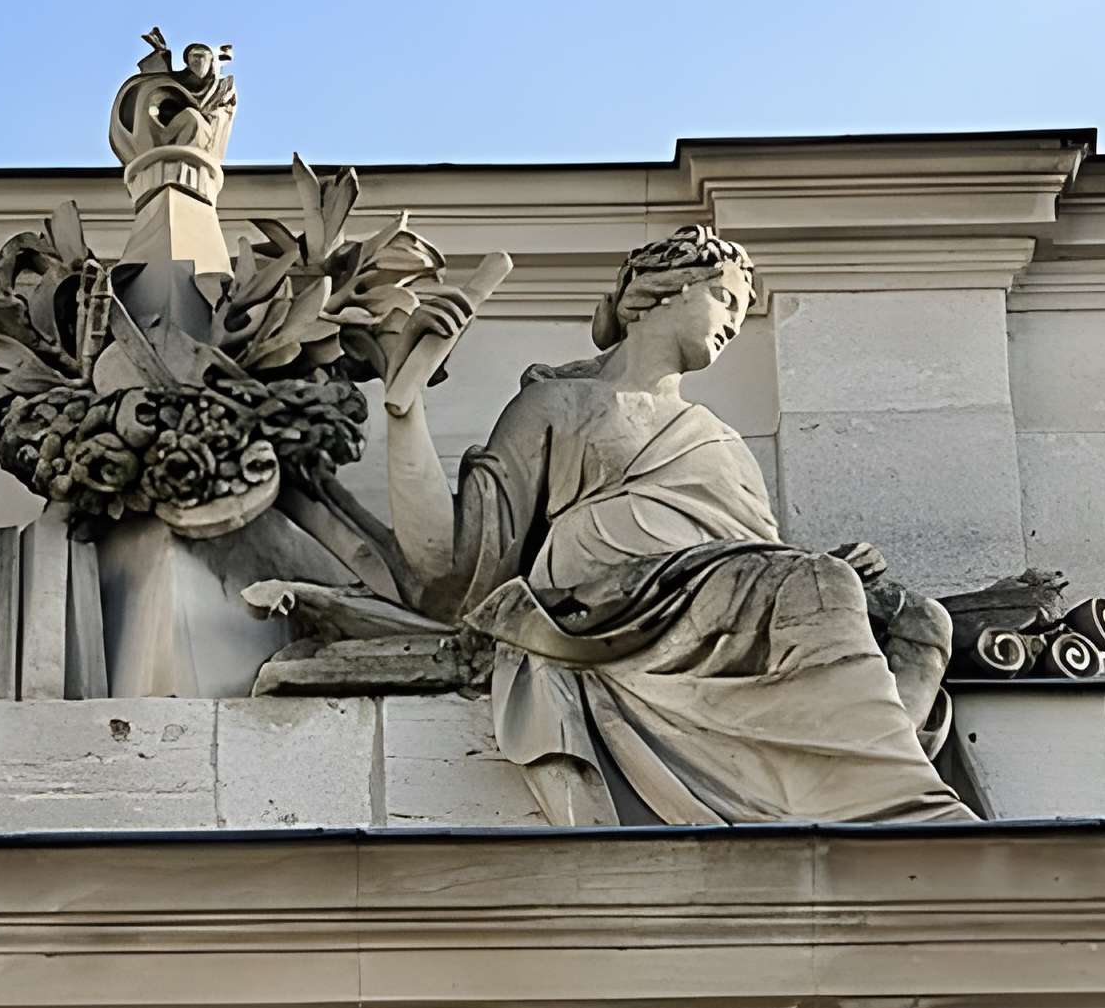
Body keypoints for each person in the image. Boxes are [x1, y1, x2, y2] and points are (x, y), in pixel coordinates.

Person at [382, 226, 969, 827]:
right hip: (605, 607)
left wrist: (823, 569)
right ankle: (892, 801)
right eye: (727, 298)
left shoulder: (723, 440)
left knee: (922, 619)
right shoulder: (561, 404)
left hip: (714, 602)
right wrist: (404, 412)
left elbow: (752, 555)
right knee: (826, 583)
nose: (735, 323)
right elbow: (452, 569)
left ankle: (863, 775)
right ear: (666, 287)